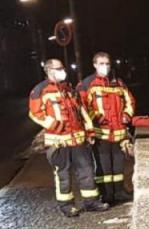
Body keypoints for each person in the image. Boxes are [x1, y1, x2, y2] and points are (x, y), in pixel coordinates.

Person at [28, 59, 109, 217]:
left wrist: (90, 132)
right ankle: (66, 206)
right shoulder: (40, 90)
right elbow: (35, 113)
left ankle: (91, 202)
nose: (62, 70)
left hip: (78, 140)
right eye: (59, 68)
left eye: (63, 67)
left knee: (87, 171)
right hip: (59, 142)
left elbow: (82, 111)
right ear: (49, 70)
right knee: (63, 175)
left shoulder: (69, 89)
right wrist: (55, 125)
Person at [78, 52, 135, 203]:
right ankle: (106, 194)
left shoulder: (118, 82)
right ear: (95, 65)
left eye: (107, 63)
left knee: (118, 166)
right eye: (101, 63)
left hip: (118, 133)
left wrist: (127, 116)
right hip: (100, 134)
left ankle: (119, 192)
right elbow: (81, 106)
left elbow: (130, 101)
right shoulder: (88, 83)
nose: (105, 67)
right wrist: (95, 117)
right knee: (103, 168)